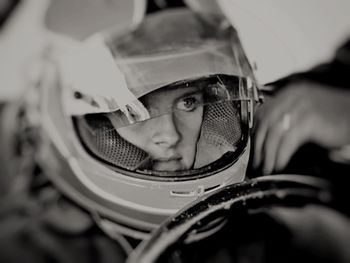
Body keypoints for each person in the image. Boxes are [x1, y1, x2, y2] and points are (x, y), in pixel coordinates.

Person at [0, 7, 259, 262]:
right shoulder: (27, 251)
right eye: (135, 111)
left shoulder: (254, 229)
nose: (170, 136)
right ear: (94, 123)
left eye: (188, 103)